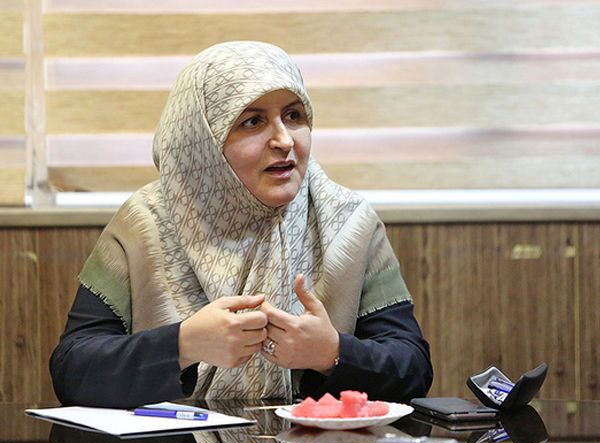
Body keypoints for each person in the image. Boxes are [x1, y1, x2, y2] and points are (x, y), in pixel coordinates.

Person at [50, 41, 433, 408]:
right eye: (252, 121)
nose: (284, 140)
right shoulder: (145, 224)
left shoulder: (348, 222)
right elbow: (73, 370)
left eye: (294, 116)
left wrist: (331, 353)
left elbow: (413, 369)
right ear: (203, 141)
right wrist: (183, 345)